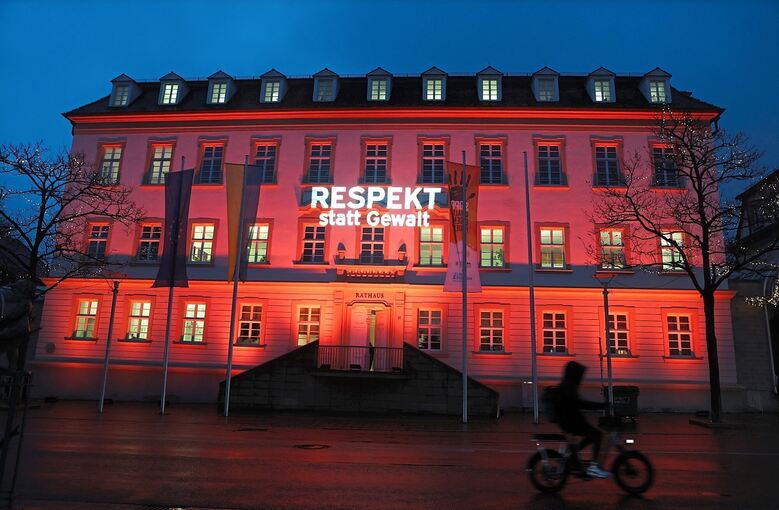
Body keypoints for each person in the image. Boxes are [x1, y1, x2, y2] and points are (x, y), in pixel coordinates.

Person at [552, 361, 611, 478]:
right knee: (597, 435)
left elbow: (578, 404)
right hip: (571, 422)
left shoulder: (567, 385)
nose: (581, 378)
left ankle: (572, 455)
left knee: (591, 435)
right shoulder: (569, 387)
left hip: (569, 422)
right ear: (574, 374)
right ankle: (594, 467)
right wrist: (601, 406)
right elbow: (581, 404)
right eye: (579, 375)